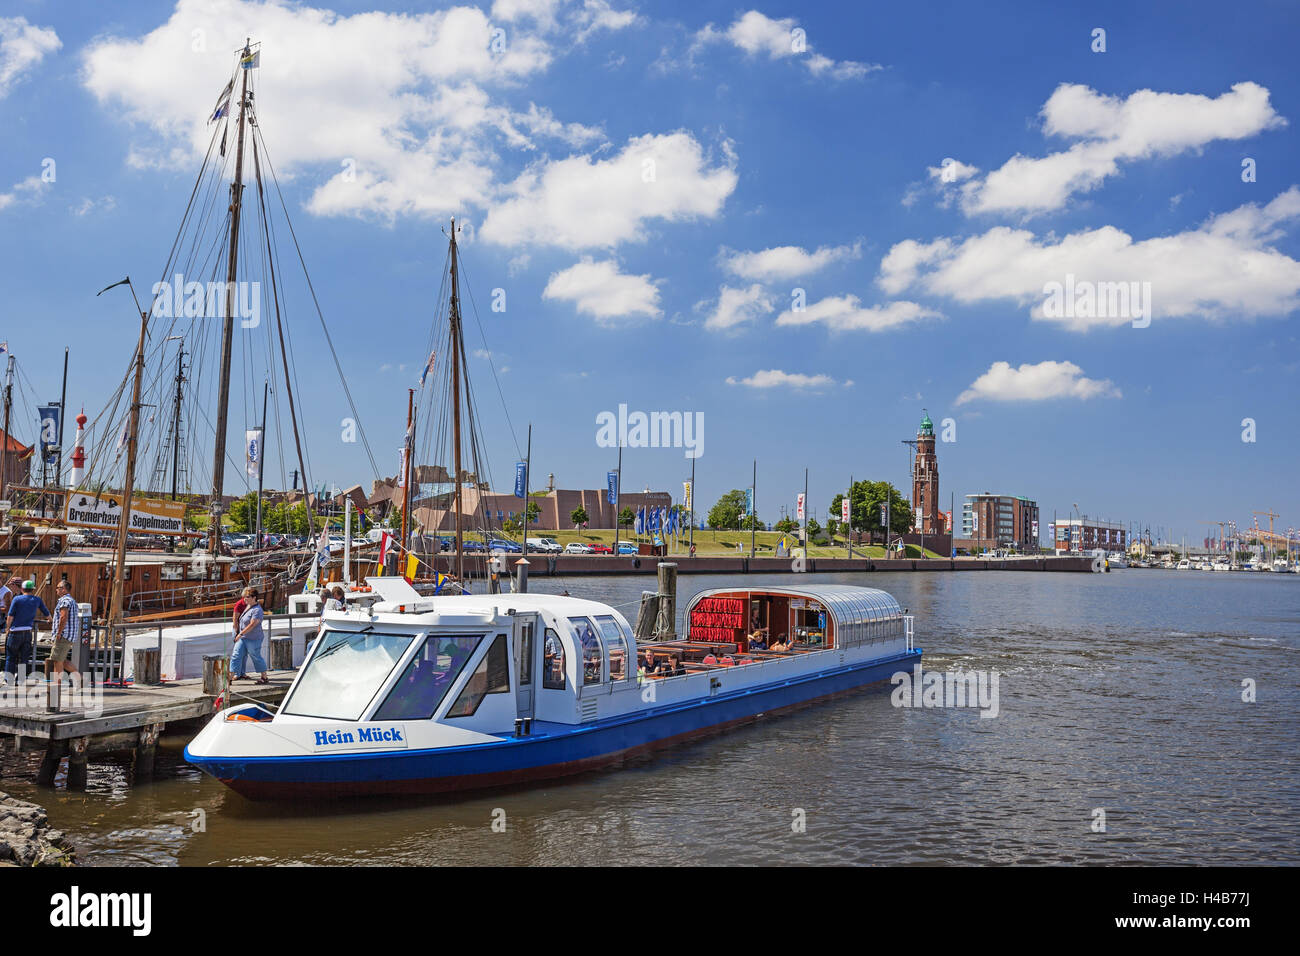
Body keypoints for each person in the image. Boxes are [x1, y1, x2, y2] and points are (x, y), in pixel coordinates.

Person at [3, 581, 50, 685]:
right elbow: (46, 613)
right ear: (33, 589)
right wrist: (49, 620)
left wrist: (7, 629)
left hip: (15, 632)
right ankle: (20, 679)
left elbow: (10, 616)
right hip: (28, 632)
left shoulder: (17, 599)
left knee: (11, 656)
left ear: (22, 589)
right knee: (24, 657)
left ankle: (9, 679)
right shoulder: (37, 600)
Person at [231, 589, 269, 684]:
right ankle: (229, 677)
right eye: (244, 597)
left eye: (247, 597)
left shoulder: (257, 610)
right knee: (236, 655)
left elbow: (253, 624)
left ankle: (264, 677)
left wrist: (240, 633)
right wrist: (238, 632)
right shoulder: (248, 606)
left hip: (253, 638)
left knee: (255, 656)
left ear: (254, 598)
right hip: (243, 638)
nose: (245, 599)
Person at [45, 579, 80, 684]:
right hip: (69, 636)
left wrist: (59, 633)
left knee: (57, 660)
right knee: (62, 660)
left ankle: (57, 684)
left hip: (63, 635)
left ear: (64, 590)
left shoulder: (64, 601)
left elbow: (63, 617)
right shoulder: (72, 601)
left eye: (58, 588)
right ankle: (80, 678)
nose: (56, 590)